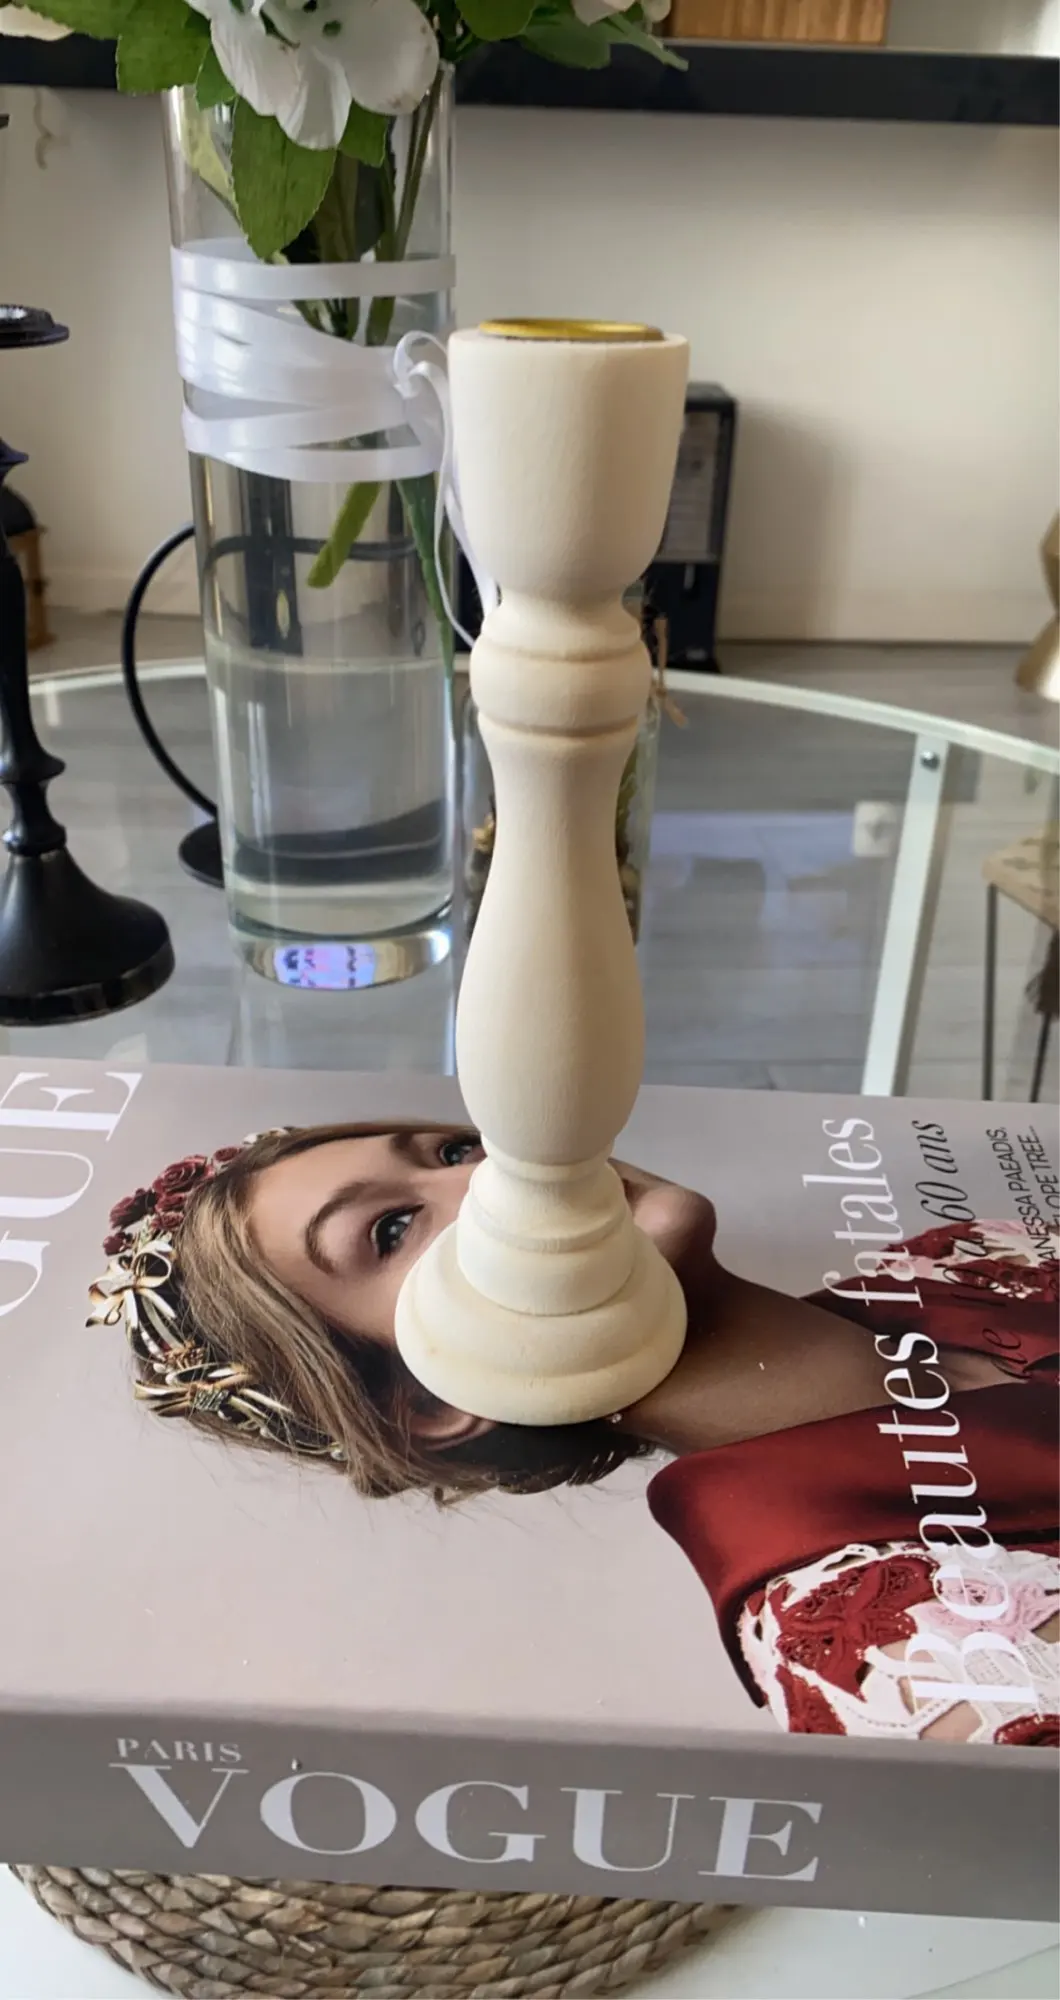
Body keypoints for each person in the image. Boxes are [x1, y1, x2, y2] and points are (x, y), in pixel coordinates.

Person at [89, 1119, 1058, 1747]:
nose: (502, 1169)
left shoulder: (956, 1258)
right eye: (391, 1230)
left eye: (453, 1149)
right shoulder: (898, 1658)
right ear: (433, 1400)